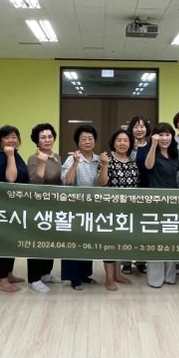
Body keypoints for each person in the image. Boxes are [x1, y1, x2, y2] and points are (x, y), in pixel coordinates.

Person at [0, 125, 28, 292]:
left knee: (12, 241)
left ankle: (8, 273)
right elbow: (11, 179)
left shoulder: (16, 155)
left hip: (16, 207)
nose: (11, 140)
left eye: (14, 137)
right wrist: (10, 156)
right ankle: (2, 279)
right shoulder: (0, 157)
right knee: (4, 242)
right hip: (3, 207)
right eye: (7, 137)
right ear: (0, 141)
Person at [98, 129, 138, 291]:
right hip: (110, 209)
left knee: (121, 241)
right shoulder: (107, 159)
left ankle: (117, 274)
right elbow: (102, 182)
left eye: (126, 140)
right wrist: (105, 165)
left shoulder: (132, 161)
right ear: (113, 143)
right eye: (119, 140)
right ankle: (109, 278)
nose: (123, 143)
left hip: (128, 209)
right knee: (109, 243)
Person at [61, 124, 100, 291]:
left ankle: (85, 274)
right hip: (74, 207)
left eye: (90, 138)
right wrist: (75, 163)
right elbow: (66, 182)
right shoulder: (72, 159)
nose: (87, 141)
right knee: (73, 242)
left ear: (95, 141)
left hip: (93, 208)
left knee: (88, 241)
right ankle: (74, 278)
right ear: (78, 142)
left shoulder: (99, 159)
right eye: (83, 139)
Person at [26, 123, 63, 293]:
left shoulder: (57, 157)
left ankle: (46, 273)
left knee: (51, 241)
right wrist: (41, 163)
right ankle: (34, 279)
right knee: (37, 242)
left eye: (50, 136)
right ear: (37, 141)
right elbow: (35, 182)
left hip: (54, 206)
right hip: (38, 207)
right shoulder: (34, 158)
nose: (47, 140)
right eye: (43, 137)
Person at [144, 122, 179, 288]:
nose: (164, 138)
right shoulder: (152, 152)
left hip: (173, 202)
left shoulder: (174, 154)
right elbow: (148, 165)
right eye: (161, 135)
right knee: (156, 241)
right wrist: (153, 145)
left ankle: (170, 276)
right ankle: (155, 278)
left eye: (167, 134)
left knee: (171, 239)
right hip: (155, 203)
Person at [122, 115, 151, 275]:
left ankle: (141, 261)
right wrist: (132, 149)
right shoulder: (125, 145)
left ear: (146, 129)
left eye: (142, 126)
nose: (139, 129)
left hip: (146, 191)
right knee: (127, 228)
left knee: (143, 228)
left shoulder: (152, 146)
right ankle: (126, 262)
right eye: (136, 126)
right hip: (128, 192)